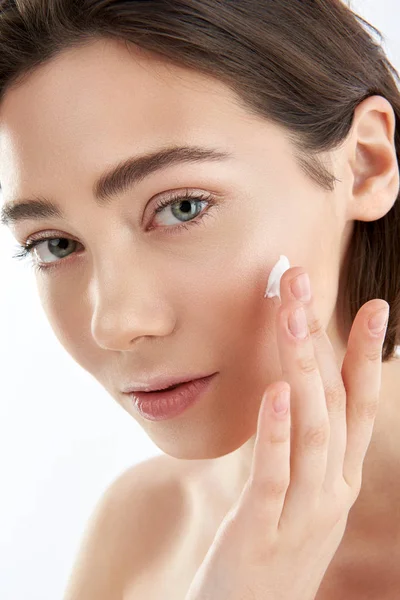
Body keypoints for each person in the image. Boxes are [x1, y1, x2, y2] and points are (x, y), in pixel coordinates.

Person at [1, 1, 400, 598]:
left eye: (181, 207)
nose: (115, 323)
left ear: (365, 164)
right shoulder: (142, 529)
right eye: (54, 244)